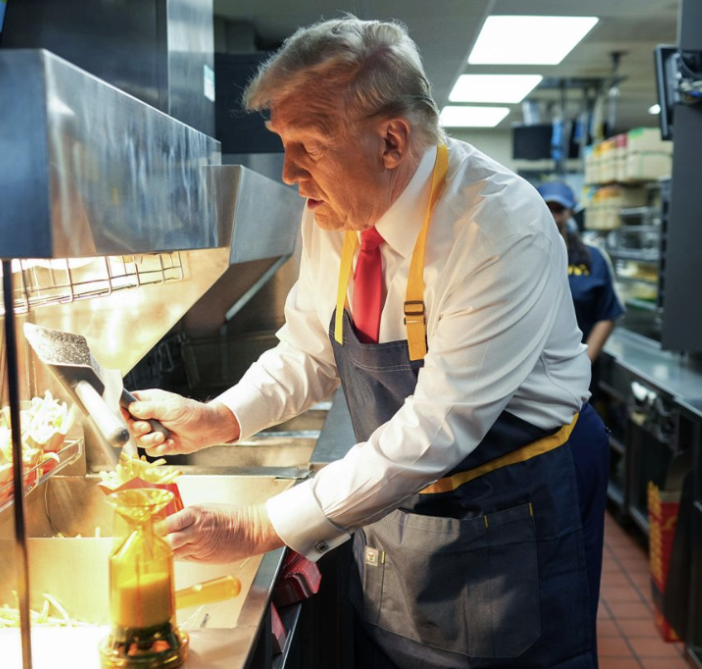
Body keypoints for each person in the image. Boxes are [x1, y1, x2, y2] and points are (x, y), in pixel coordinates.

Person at [125, 17, 609, 669]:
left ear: (390, 141)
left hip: (512, 496)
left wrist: (260, 525)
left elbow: (440, 425)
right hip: (401, 495)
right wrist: (221, 418)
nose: (290, 173)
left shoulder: (497, 226)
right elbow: (307, 350)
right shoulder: (340, 209)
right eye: (283, 144)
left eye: (311, 145)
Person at [536, 182, 624, 363]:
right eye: (547, 209)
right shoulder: (525, 257)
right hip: (530, 371)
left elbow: (606, 315)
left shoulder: (594, 258)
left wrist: (582, 366)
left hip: (578, 368)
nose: (553, 216)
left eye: (558, 209)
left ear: (570, 212)